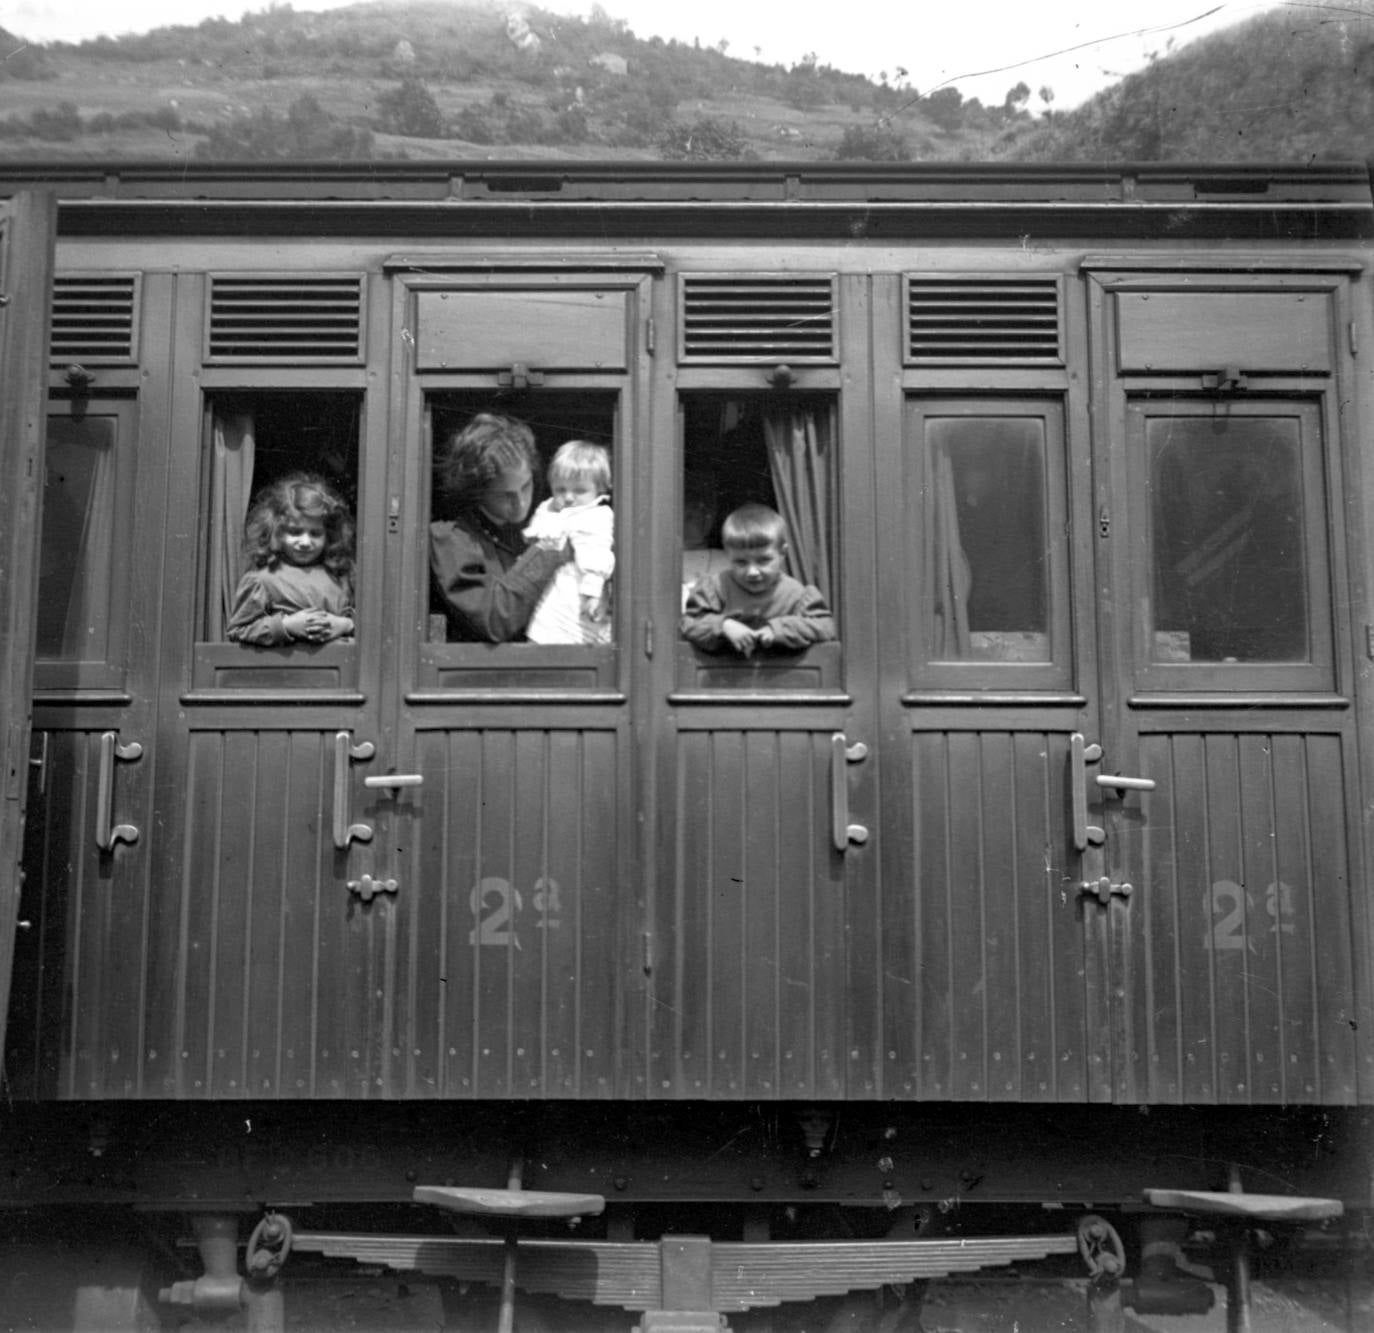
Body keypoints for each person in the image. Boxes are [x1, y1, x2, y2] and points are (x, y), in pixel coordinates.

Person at [429, 413, 571, 642]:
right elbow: (494, 620)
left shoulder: (547, 517)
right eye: (505, 495)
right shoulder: (452, 540)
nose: (521, 503)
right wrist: (549, 549)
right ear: (478, 492)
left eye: (526, 486)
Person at [680, 503, 835, 655]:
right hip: (724, 676)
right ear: (728, 555)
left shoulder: (796, 594)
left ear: (783, 553)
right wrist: (723, 626)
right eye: (741, 562)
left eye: (763, 561)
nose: (752, 572)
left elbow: (825, 627)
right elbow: (689, 623)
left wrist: (777, 630)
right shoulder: (715, 588)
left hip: (780, 676)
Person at [226, 473, 355, 646]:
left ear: (329, 535)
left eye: (315, 533)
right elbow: (238, 630)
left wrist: (345, 624)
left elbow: (373, 628)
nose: (305, 542)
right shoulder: (263, 580)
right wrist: (285, 625)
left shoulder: (339, 577)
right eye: (295, 532)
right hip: (287, 668)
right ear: (276, 532)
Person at [522, 440, 615, 645]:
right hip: (552, 590)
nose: (569, 497)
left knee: (570, 639)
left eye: (579, 490)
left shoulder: (595, 515)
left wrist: (592, 591)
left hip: (578, 591)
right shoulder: (550, 509)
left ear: (599, 488)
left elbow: (596, 552)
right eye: (560, 489)